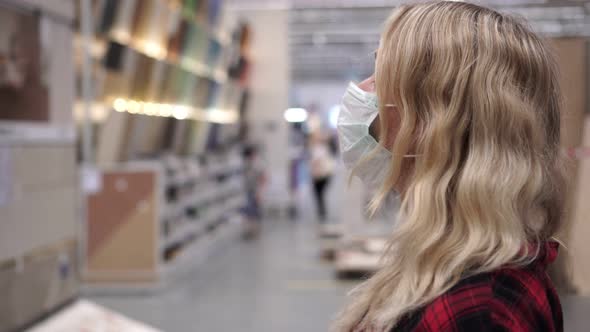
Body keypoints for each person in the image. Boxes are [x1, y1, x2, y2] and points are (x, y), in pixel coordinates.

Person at [334, 2, 565, 331]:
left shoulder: (479, 312)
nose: (363, 90)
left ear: (437, 122)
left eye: (382, 74)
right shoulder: (445, 263)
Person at [309, 132, 335, 222]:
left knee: (319, 193)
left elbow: (317, 161)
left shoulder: (320, 149)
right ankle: (321, 209)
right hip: (320, 174)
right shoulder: (319, 148)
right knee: (319, 193)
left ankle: (321, 210)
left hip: (321, 174)